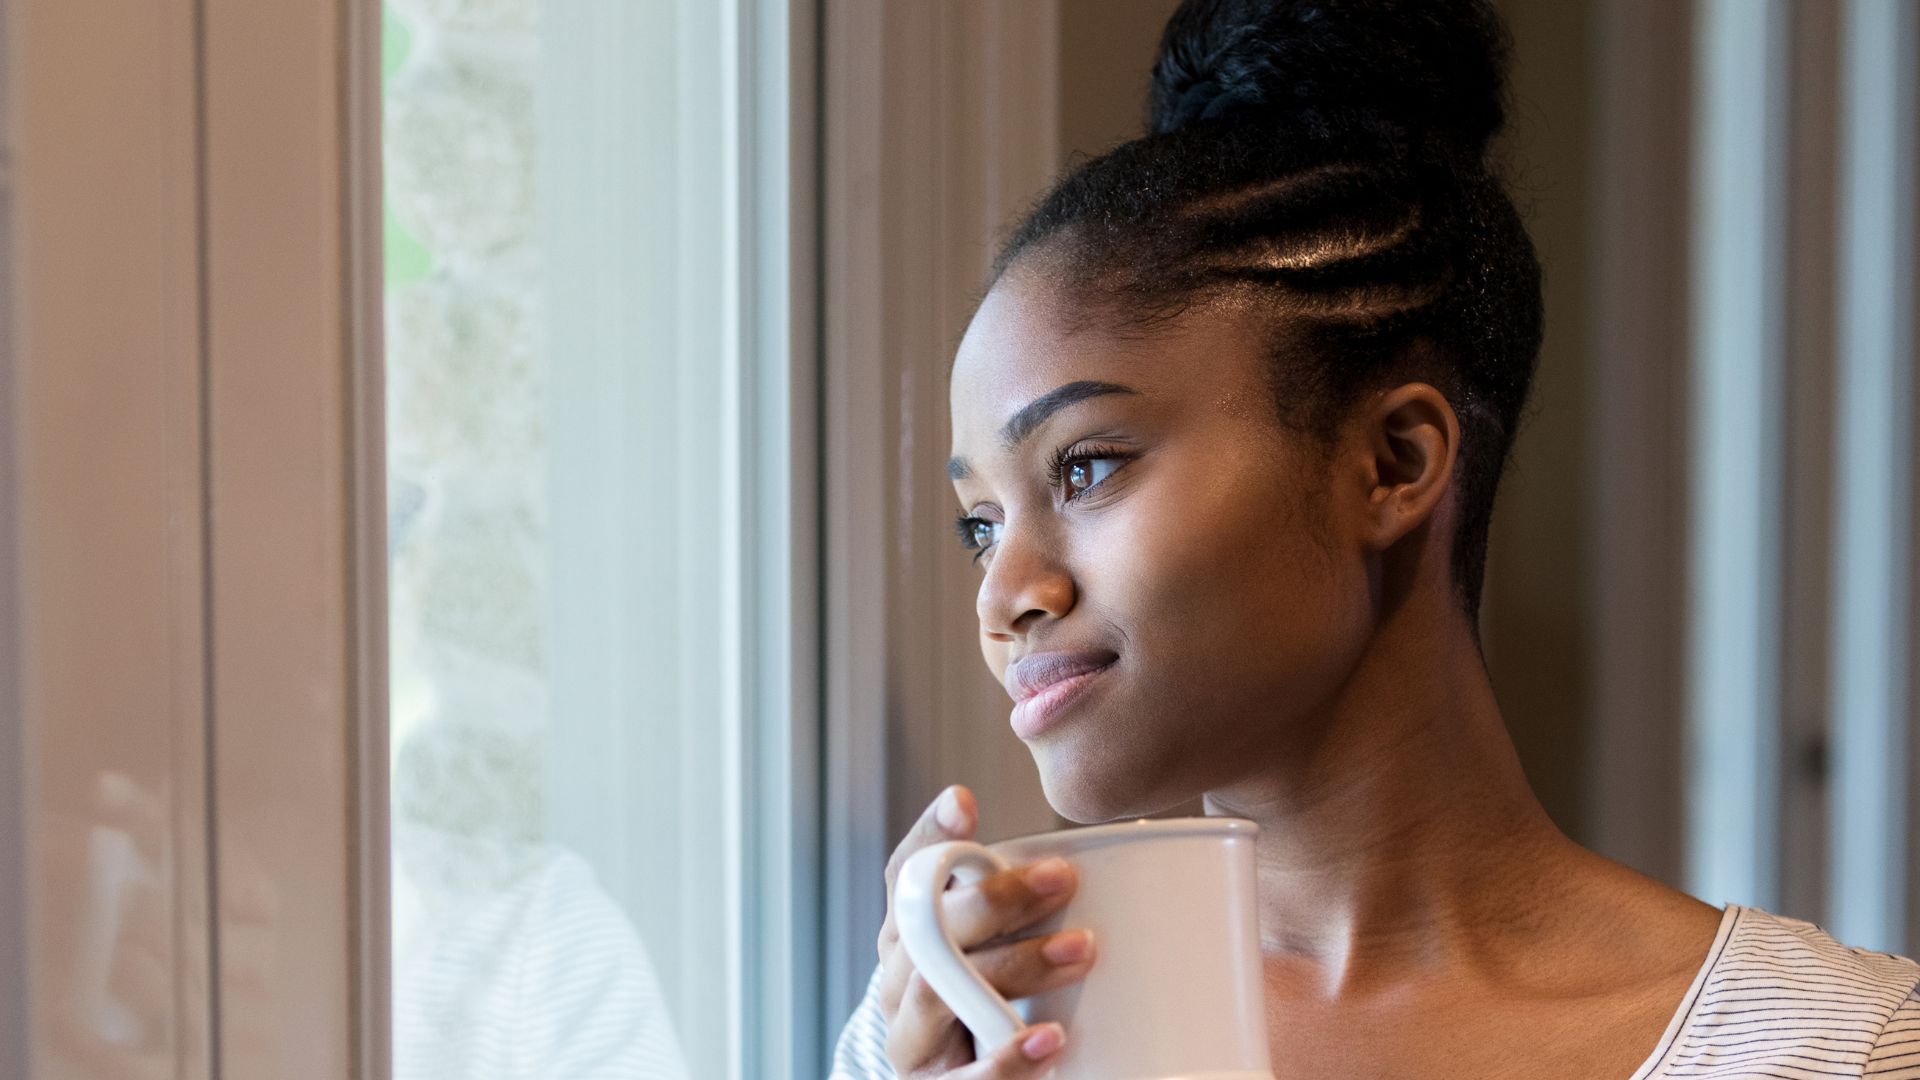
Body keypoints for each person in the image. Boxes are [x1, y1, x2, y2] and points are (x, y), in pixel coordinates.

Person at [829, 1, 1920, 1077]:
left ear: (1393, 463)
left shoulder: (1847, 1046)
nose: (1004, 594)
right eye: (982, 523)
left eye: (1085, 466)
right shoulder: (961, 1036)